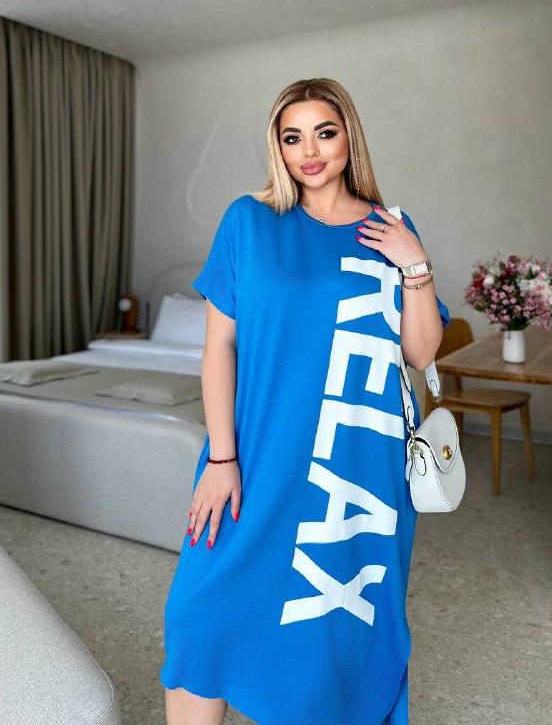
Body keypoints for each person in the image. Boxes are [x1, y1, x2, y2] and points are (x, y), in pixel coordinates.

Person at [160, 77, 450, 725]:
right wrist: (222, 458)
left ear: (350, 137)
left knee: (331, 631)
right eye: (293, 138)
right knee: (201, 615)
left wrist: (415, 263)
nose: (309, 151)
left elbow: (422, 352)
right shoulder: (249, 221)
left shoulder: (391, 229)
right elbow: (219, 347)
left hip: (354, 466)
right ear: (279, 148)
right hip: (258, 453)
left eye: (325, 132)